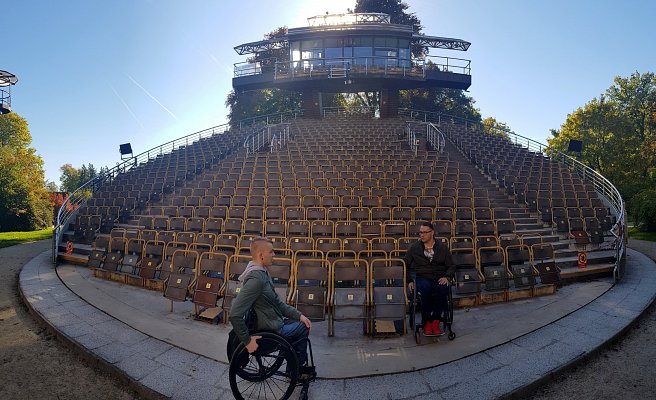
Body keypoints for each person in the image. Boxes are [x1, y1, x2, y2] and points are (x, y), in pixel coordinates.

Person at [229, 237, 312, 366]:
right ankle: (297, 369)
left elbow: (278, 304)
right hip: (271, 329)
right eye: (271, 252)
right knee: (303, 328)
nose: (274, 255)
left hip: (272, 322)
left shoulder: (263, 273)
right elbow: (234, 314)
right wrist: (247, 341)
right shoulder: (257, 279)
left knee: (300, 321)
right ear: (261, 255)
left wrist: (299, 315)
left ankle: (293, 365)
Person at [404, 221, 455, 336]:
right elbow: (405, 265)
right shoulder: (414, 247)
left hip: (438, 277)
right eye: (420, 232)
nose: (422, 235)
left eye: (425, 232)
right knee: (425, 289)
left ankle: (436, 321)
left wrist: (447, 277)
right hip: (422, 277)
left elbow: (451, 265)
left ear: (432, 233)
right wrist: (410, 281)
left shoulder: (442, 248)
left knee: (442, 288)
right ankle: (426, 322)